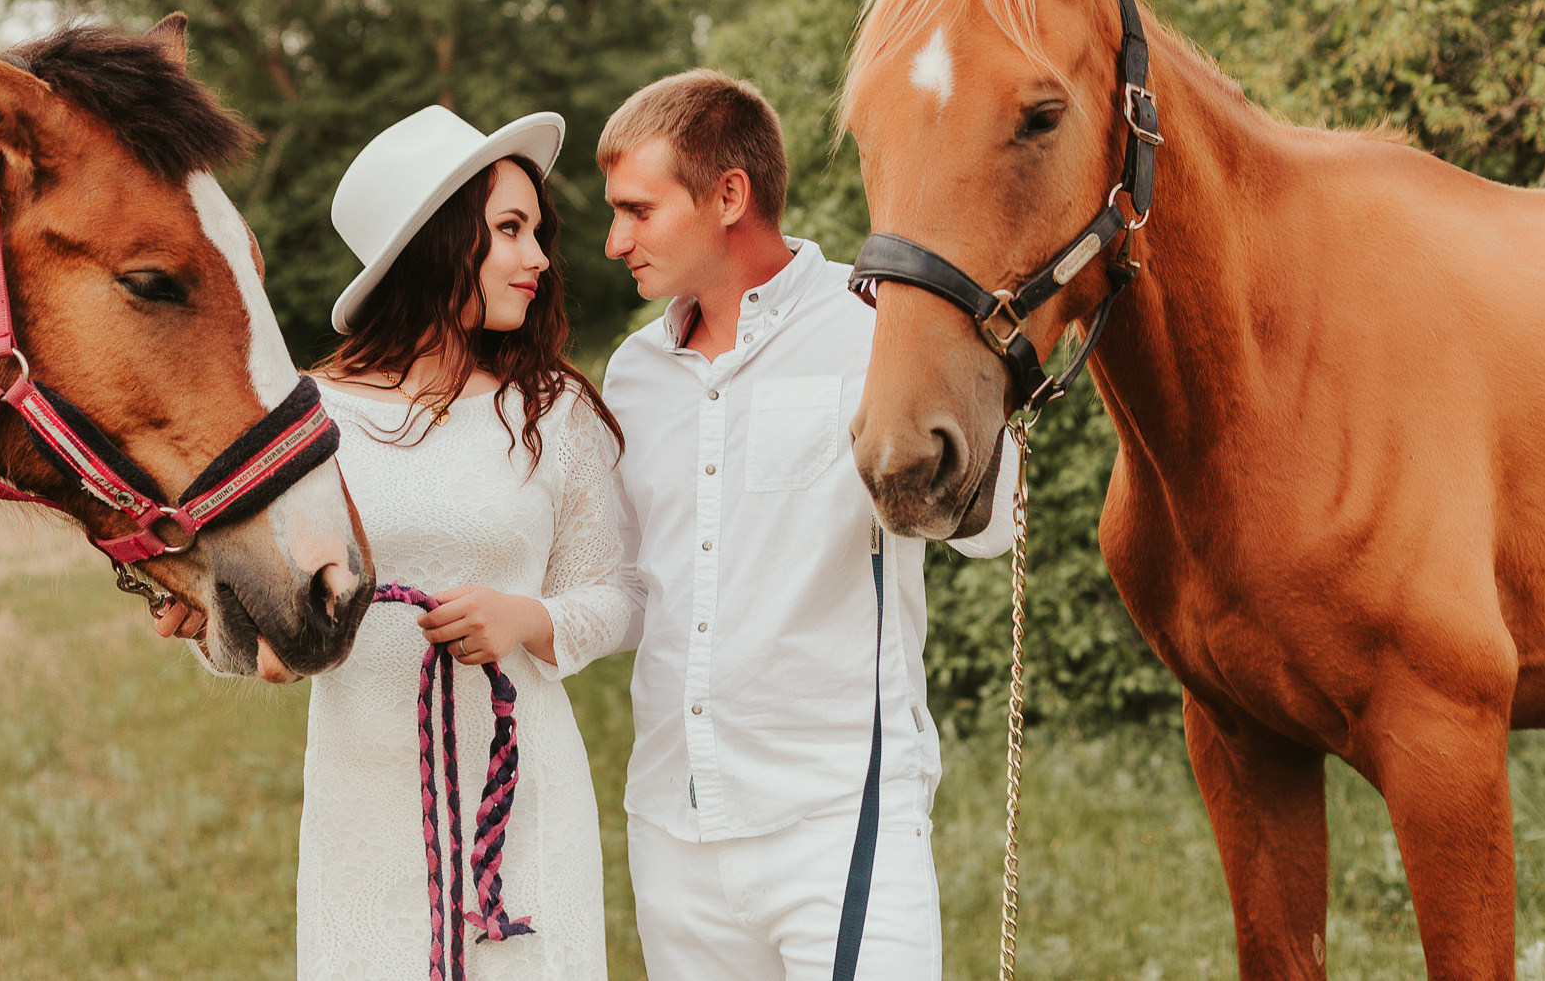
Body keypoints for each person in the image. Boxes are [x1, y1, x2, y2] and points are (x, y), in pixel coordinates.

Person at [155, 105, 628, 980]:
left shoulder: (552, 411)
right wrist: (219, 635)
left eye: (537, 232)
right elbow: (277, 628)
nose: (538, 259)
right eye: (510, 230)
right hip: (366, 806)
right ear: (439, 243)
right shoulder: (307, 419)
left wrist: (523, 619)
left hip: (523, 803)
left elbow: (618, 595)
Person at [597, 68, 1018, 980]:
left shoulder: (875, 329)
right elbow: (629, 587)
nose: (612, 240)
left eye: (637, 210)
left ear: (728, 197)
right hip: (673, 827)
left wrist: (965, 379)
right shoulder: (631, 374)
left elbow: (992, 529)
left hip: (839, 814)